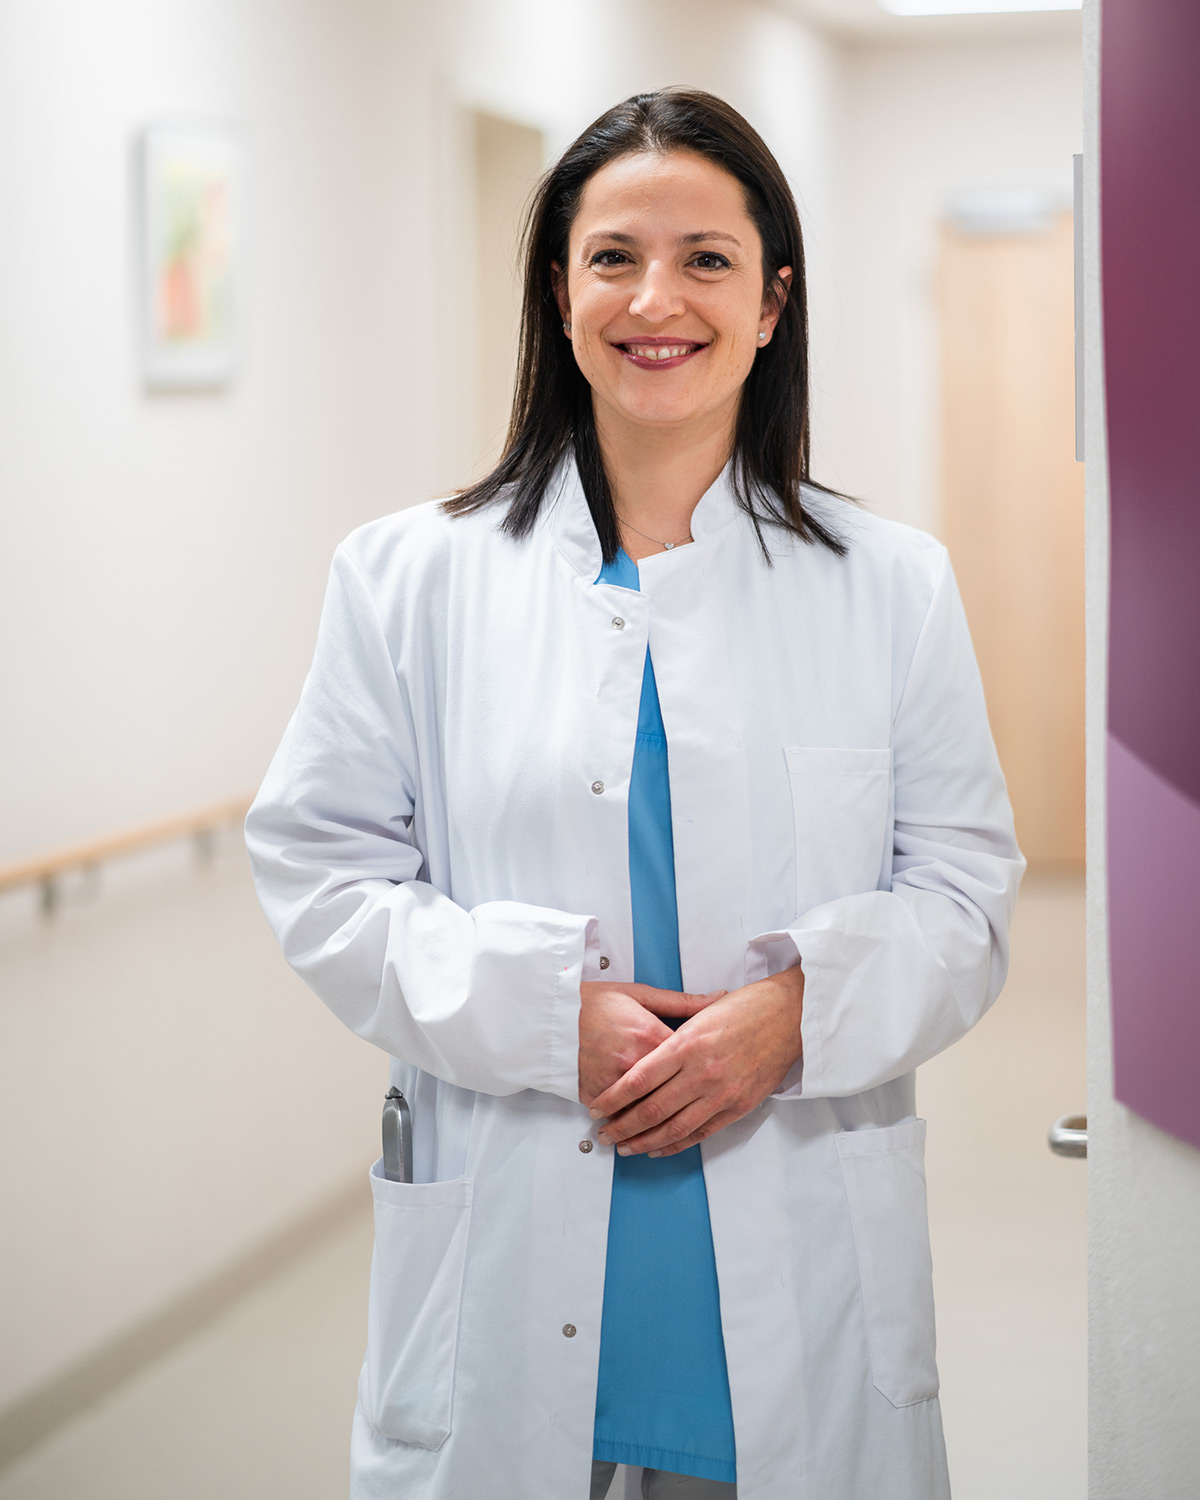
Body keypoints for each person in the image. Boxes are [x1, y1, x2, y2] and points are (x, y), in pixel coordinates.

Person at [245, 87, 1023, 1500]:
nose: (655, 300)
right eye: (613, 257)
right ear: (560, 293)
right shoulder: (407, 577)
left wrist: (797, 1015)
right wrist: (543, 1013)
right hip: (508, 1247)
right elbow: (321, 870)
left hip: (796, 1258)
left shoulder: (889, 585)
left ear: (774, 302)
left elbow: (966, 897)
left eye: (707, 259)